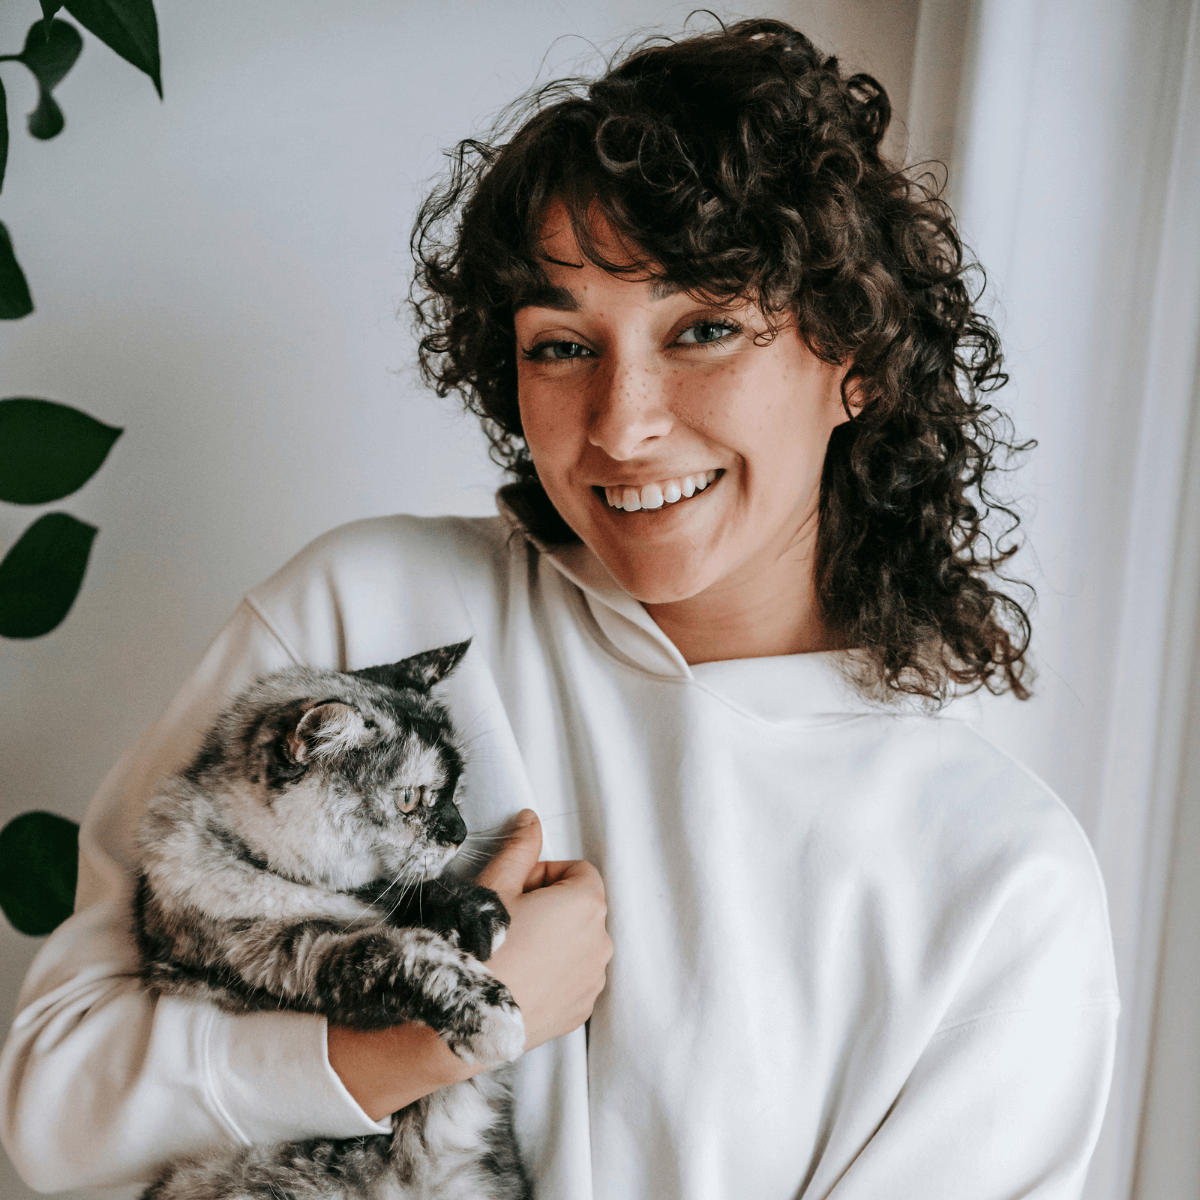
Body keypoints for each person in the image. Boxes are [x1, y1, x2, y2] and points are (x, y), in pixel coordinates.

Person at [0, 18, 1117, 1199]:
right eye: (561, 345)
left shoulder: (999, 881)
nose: (624, 422)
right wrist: (409, 1042)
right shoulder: (364, 623)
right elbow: (52, 1109)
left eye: (706, 329)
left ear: (859, 358)